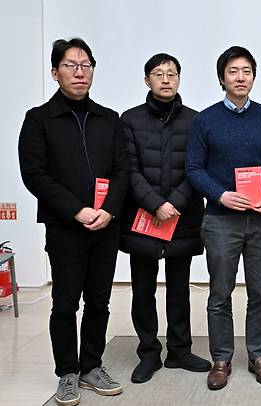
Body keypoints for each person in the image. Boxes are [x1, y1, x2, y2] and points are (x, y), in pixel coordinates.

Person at [18, 37, 128, 406]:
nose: (79, 72)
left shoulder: (109, 119)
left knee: (100, 301)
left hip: (106, 226)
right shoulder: (38, 120)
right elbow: (35, 174)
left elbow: (122, 171)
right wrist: (76, 210)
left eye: (86, 65)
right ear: (55, 72)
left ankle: (92, 365)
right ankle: (67, 371)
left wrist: (108, 210)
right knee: (65, 303)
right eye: (70, 65)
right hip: (65, 228)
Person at [186, 46, 261, 390]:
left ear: (254, 77)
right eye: (233, 71)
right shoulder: (205, 119)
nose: (240, 77)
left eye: (246, 71)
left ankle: (258, 355)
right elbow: (194, 168)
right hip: (220, 219)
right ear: (221, 78)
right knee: (220, 292)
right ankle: (221, 358)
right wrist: (221, 195)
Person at [119, 53, 211, 384]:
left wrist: (174, 203)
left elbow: (198, 168)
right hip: (143, 217)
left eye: (172, 73)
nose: (166, 79)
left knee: (178, 288)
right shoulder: (129, 120)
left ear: (179, 78)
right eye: (158, 74)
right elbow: (128, 170)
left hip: (182, 218)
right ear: (147, 80)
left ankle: (179, 351)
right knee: (142, 289)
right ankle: (148, 353)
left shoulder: (196, 120)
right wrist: (155, 203)